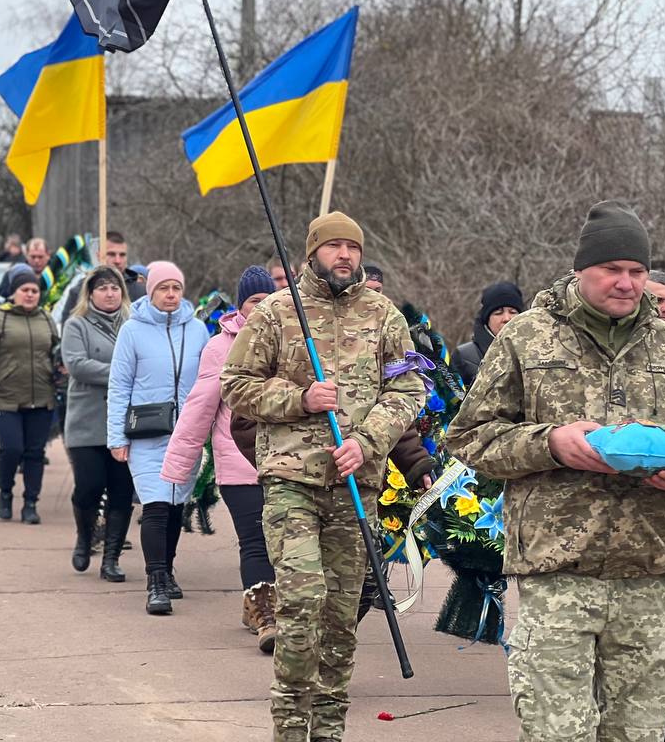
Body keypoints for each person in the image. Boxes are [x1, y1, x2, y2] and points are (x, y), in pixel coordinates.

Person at [446, 200, 665, 742]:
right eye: (612, 270)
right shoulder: (526, 338)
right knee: (558, 732)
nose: (626, 283)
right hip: (556, 573)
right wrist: (550, 443)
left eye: (637, 272)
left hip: (647, 577)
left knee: (640, 732)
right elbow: (467, 436)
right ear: (581, 270)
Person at [220, 213, 426, 742]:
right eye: (333, 246)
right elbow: (236, 386)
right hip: (291, 479)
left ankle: (329, 728)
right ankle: (289, 725)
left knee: (340, 612)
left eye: (352, 247)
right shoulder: (276, 312)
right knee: (303, 599)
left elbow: (409, 390)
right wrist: (300, 398)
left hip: (356, 486)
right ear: (312, 253)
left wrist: (368, 440)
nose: (344, 255)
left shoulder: (384, 316)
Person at [163, 264, 278, 652]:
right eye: (254, 302)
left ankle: (258, 602)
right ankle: (266, 615)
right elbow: (199, 408)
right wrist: (180, 464)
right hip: (237, 463)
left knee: (283, 541)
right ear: (241, 306)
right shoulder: (220, 347)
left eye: (268, 300)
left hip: (286, 461)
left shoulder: (292, 340)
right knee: (255, 541)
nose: (262, 309)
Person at [106, 260, 210, 615]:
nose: (170, 294)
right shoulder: (132, 331)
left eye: (176, 288)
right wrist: (116, 437)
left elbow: (211, 381)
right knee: (155, 504)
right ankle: (155, 582)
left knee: (176, 505)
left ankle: (167, 570)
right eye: (162, 288)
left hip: (187, 432)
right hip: (146, 433)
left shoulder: (197, 330)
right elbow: (119, 386)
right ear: (150, 291)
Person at [61, 265, 134, 580]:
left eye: (115, 288)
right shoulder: (76, 325)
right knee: (88, 487)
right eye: (103, 288)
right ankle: (85, 534)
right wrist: (121, 373)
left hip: (125, 423)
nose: (109, 293)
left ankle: (111, 558)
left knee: (121, 490)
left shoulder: (133, 324)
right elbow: (77, 365)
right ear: (90, 293)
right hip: (87, 422)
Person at [0, 269, 59, 523]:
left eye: (34, 291)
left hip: (42, 398)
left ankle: (31, 503)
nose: (30, 295)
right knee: (11, 448)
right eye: (25, 290)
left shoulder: (46, 318)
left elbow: (56, 353)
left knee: (35, 453)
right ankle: (6, 492)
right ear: (14, 293)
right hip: (7, 398)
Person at [59, 231, 146, 320]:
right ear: (99, 256)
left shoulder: (141, 293)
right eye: (111, 254)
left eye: (122, 255)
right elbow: (69, 328)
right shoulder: (80, 291)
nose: (118, 260)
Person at [454, 280, 523, 387]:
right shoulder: (465, 357)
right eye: (498, 313)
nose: (506, 318)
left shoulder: (537, 353)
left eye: (513, 312)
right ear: (487, 319)